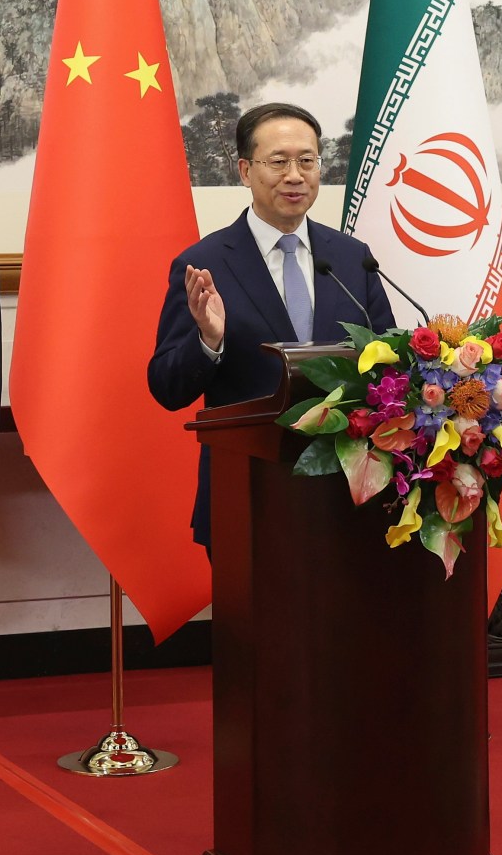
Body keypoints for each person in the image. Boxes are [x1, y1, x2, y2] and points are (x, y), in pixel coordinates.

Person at [148, 102, 396, 548]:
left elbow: (389, 369)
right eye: (278, 162)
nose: (295, 175)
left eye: (307, 161)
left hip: (350, 500)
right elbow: (167, 387)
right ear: (245, 171)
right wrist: (209, 340)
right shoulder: (204, 264)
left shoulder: (351, 258)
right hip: (248, 497)